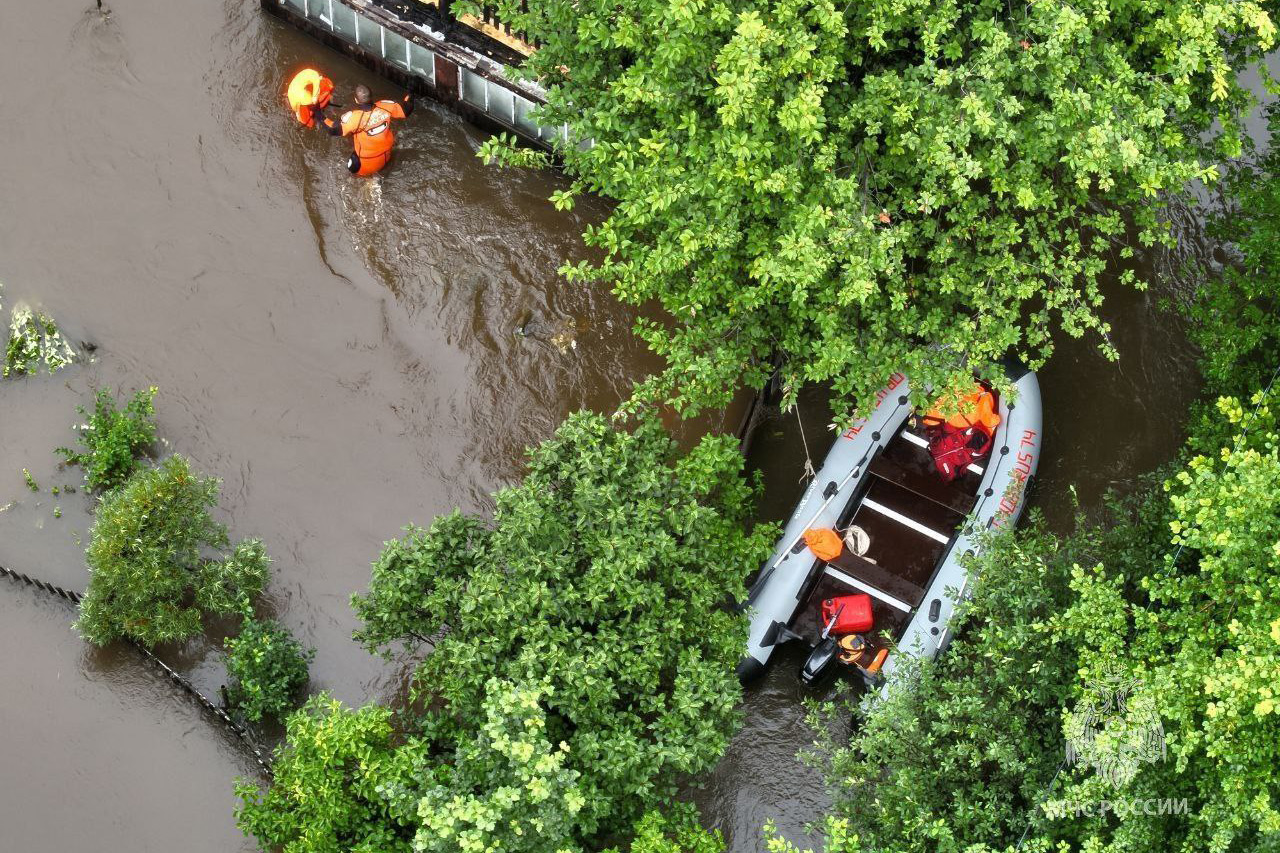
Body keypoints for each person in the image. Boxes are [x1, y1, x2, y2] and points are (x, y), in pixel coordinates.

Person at [323, 84, 414, 176]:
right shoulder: (386, 106)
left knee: (351, 168)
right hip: (387, 156)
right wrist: (410, 93)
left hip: (367, 165)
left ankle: (366, 180)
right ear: (371, 97)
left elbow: (332, 130)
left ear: (356, 100)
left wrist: (318, 113)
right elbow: (407, 109)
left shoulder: (354, 118)